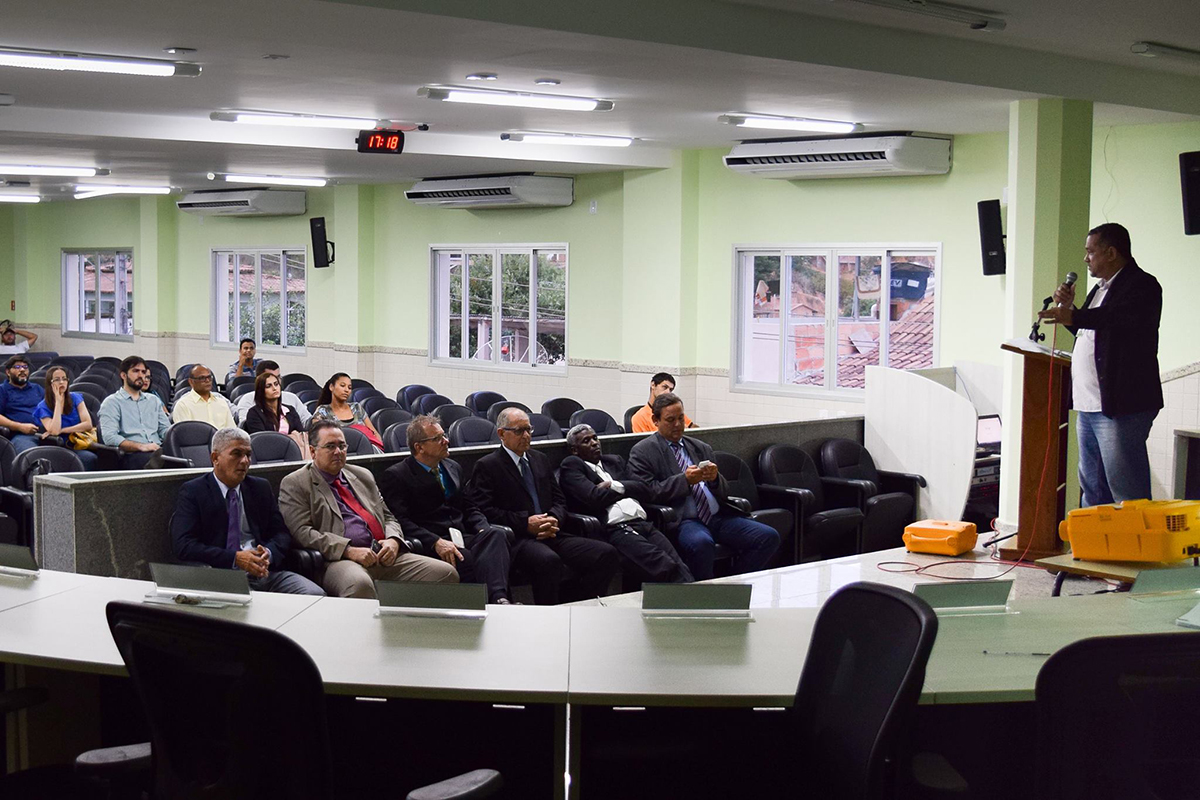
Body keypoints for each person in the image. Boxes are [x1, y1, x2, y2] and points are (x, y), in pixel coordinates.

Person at [1038, 222, 1163, 507]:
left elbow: (1117, 319)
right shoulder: (1100, 288)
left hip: (1121, 405)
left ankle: (1131, 538)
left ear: (1111, 253)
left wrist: (1074, 315)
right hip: (1089, 404)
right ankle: (1094, 535)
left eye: (1090, 252)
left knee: (1126, 491)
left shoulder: (1142, 285)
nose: (1085, 259)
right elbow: (1089, 331)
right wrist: (1070, 310)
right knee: (1092, 487)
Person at [278, 420, 457, 598]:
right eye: (330, 446)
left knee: (446, 573)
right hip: (339, 560)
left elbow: (388, 517)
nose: (338, 452)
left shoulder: (362, 475)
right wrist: (348, 550)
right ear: (312, 451)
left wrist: (393, 540)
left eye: (342, 446)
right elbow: (302, 533)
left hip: (382, 554)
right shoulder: (296, 483)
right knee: (360, 585)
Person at [469, 408, 618, 605]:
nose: (526, 435)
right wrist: (525, 523)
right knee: (548, 561)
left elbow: (559, 500)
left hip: (552, 531)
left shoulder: (540, 459)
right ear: (502, 434)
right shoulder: (488, 465)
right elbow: (485, 511)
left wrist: (554, 518)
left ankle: (576, 604)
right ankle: (546, 614)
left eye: (528, 429)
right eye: (519, 431)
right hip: (519, 538)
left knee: (606, 554)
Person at [629, 393, 779, 580]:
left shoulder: (700, 447)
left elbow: (724, 492)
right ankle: (702, 591)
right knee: (702, 544)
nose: (678, 424)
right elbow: (645, 492)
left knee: (768, 536)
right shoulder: (643, 451)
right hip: (684, 520)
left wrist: (715, 479)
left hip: (718, 516)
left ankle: (732, 582)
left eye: (681, 418)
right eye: (670, 420)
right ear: (655, 420)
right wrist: (684, 481)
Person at [170, 427, 324, 595]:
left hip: (266, 572)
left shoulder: (259, 487)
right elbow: (184, 545)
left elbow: (281, 534)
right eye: (236, 454)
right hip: (222, 577)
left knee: (315, 595)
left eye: (248, 455)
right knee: (250, 604)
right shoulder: (194, 491)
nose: (244, 461)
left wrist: (268, 553)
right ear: (215, 458)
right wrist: (235, 558)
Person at [379, 416, 515, 604]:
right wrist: (435, 542)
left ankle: (499, 600)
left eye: (444, 435)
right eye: (438, 438)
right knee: (477, 560)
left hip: (461, 535)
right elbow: (401, 521)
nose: (446, 441)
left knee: (496, 536)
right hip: (432, 542)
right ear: (419, 447)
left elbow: (469, 506)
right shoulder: (397, 475)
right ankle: (498, 601)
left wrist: (482, 528)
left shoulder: (452, 467)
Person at [560, 423, 693, 585]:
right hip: (616, 530)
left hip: (643, 523)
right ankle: (693, 598)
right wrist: (627, 489)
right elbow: (594, 497)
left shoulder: (614, 461)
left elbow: (644, 488)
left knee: (679, 564)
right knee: (664, 566)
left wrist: (616, 486)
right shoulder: (572, 466)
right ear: (574, 450)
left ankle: (693, 598)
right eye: (586, 441)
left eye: (595, 438)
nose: (594, 443)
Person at [98, 355, 172, 469]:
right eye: (135, 371)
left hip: (157, 450)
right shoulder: (112, 402)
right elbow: (109, 437)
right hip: (131, 454)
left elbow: (165, 430)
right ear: (123, 375)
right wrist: (141, 446)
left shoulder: (153, 400)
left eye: (143, 372)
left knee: (182, 458)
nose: (141, 375)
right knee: (163, 462)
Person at [34, 366, 99, 470]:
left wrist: (63, 430)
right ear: (50, 384)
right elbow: (55, 431)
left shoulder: (75, 397)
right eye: (57, 379)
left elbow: (88, 424)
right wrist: (58, 402)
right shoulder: (43, 406)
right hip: (61, 446)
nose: (61, 382)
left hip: (81, 441)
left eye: (64, 379)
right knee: (88, 458)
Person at [243, 372, 310, 460]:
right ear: (261, 391)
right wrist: (290, 438)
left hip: (292, 453)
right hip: (268, 456)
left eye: (276, 384)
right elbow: (261, 440)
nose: (274, 388)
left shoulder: (290, 410)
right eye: (268, 386)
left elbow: (301, 433)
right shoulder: (254, 413)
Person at [311, 372, 381, 450]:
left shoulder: (357, 408)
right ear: (331, 387)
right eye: (342, 386)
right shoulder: (322, 411)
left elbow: (374, 433)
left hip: (365, 449)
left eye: (349, 387)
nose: (346, 390)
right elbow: (317, 439)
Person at [233, 360, 312, 427]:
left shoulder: (291, 398)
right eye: (271, 378)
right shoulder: (247, 400)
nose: (276, 381)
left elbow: (306, 422)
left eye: (278, 377)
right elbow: (246, 428)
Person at [0, 355, 47, 454]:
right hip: (21, 435)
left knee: (81, 454)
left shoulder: (37, 389)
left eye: (25, 367)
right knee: (32, 454)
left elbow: (51, 409)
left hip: (46, 433)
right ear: (8, 372)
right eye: (17, 367)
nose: (22, 370)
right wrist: (19, 427)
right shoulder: (2, 390)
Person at [170, 364, 236, 428]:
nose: (207, 380)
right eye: (202, 378)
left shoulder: (221, 403)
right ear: (191, 382)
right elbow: (185, 433)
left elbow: (232, 430)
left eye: (209, 377)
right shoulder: (183, 405)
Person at [629, 372, 695, 433]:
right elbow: (644, 441)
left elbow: (693, 427)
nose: (668, 392)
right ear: (653, 385)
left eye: (670, 390)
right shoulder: (640, 417)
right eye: (664, 387)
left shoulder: (674, 410)